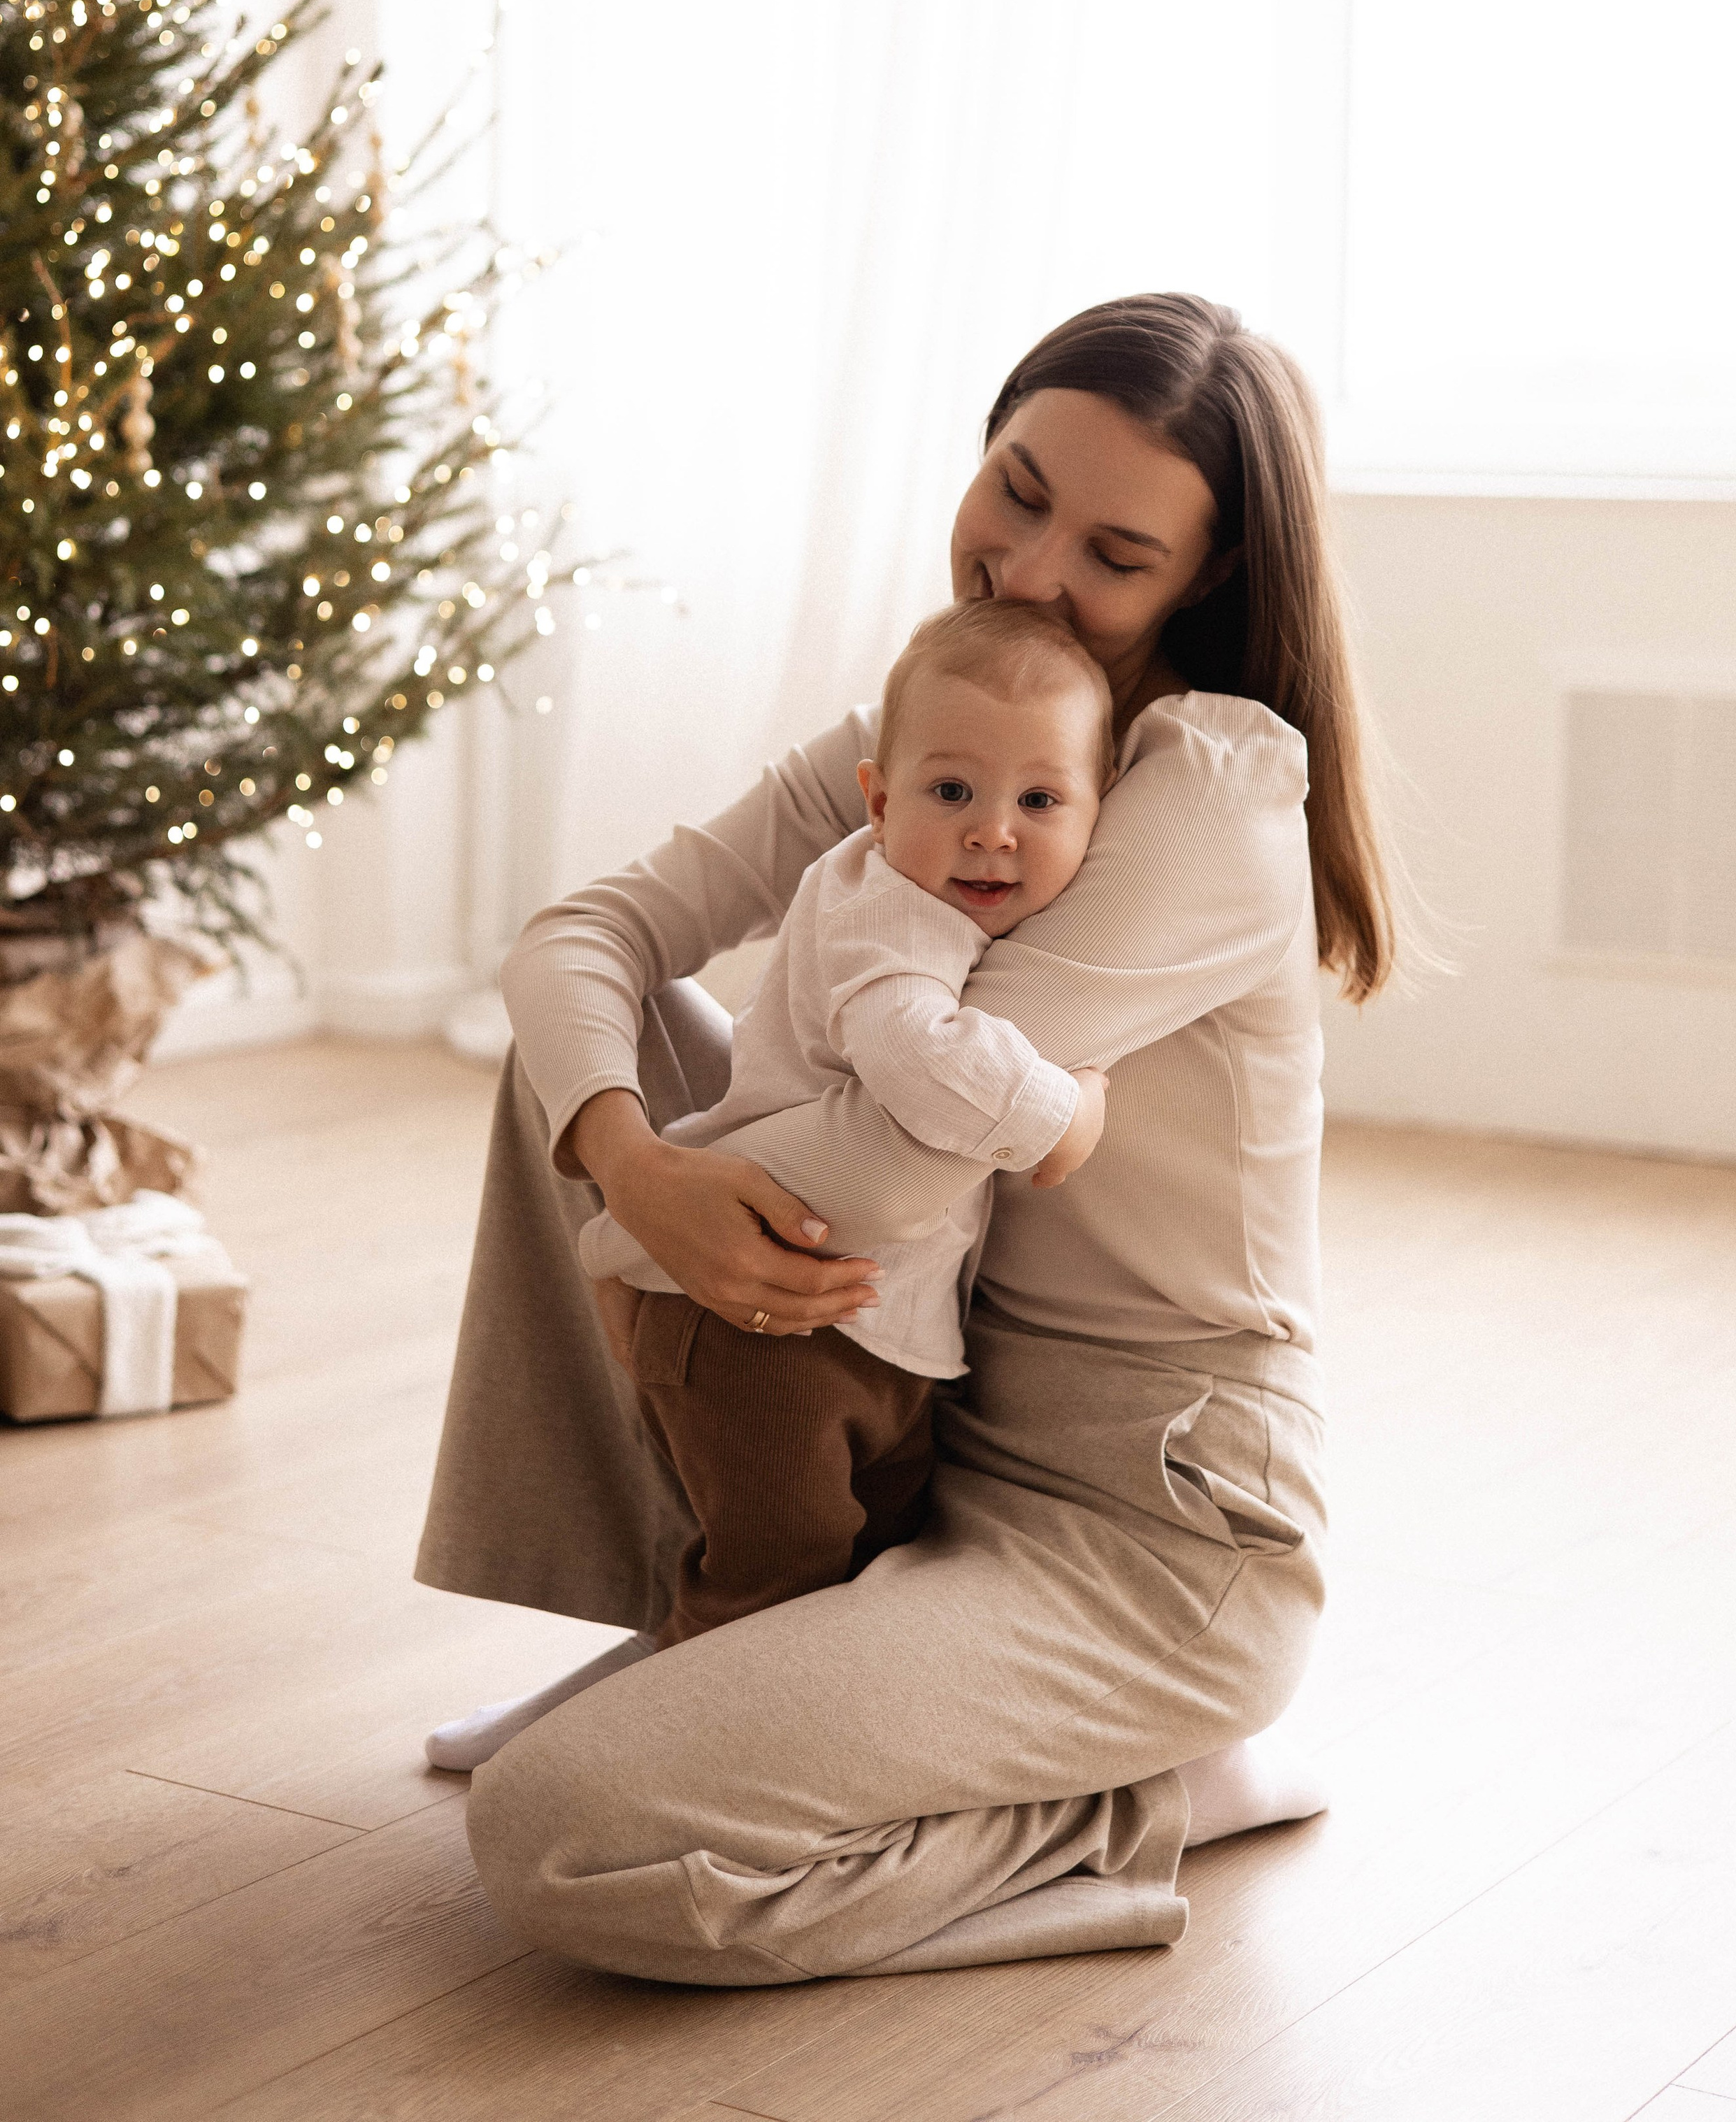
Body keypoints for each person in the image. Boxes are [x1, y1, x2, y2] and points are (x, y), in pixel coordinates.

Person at [417, 291, 1394, 1983]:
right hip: (914, 1412)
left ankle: (1141, 1793)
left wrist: (647, 1210)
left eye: (1111, 551)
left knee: (560, 1838)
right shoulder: (932, 733)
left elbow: (891, 1168)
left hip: (1144, 1526)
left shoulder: (1213, 806)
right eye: (1014, 490)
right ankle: (696, 1616)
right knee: (578, 1063)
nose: (1027, 570)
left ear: (1205, 581)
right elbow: (585, 939)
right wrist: (632, 1166)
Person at [582, 597, 1115, 1649]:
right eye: (951, 789)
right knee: (772, 1585)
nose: (992, 830)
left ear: (1097, 819)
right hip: (767, 1334)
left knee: (859, 1573)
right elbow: (918, 1058)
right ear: (877, 801)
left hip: (874, 1335)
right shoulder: (889, 909)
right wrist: (1067, 1115)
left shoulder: (953, 906)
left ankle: (762, 1738)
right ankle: (689, 1758)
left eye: (1041, 799)